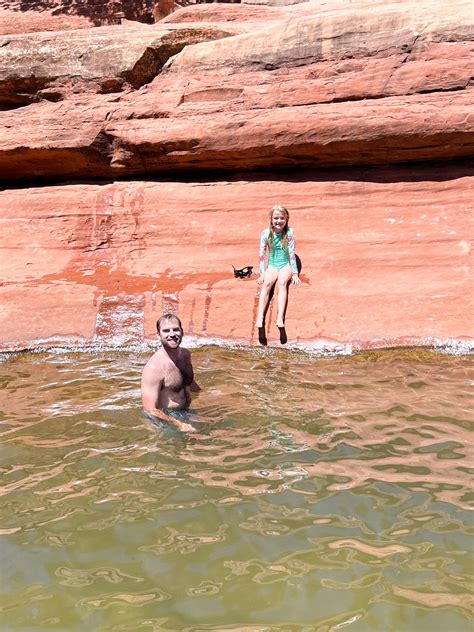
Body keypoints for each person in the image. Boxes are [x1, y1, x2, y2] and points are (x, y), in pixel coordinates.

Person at [141, 314, 200, 432]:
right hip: (166, 418)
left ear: (182, 332)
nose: (172, 334)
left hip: (187, 412)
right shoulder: (154, 368)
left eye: (175, 329)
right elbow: (149, 410)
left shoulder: (185, 355)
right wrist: (179, 424)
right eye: (166, 331)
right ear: (158, 335)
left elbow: (187, 381)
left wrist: (207, 393)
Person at [255, 204, 301, 344]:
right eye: (276, 218)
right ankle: (260, 317)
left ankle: (280, 317)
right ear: (271, 219)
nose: (278, 221)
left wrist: (294, 273)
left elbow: (292, 253)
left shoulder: (289, 233)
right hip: (273, 264)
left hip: (285, 264)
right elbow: (262, 254)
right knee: (267, 283)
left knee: (282, 283)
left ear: (286, 219)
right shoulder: (266, 233)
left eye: (282, 218)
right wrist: (262, 273)